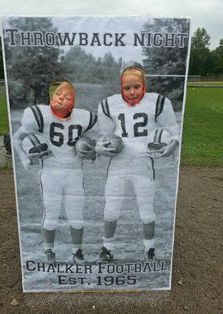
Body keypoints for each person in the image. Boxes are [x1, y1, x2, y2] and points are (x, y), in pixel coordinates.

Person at [95, 63, 179, 261]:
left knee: (146, 209)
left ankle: (150, 249)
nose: (132, 92)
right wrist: (100, 147)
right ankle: (107, 248)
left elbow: (174, 129)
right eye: (127, 88)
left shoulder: (157, 103)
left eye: (136, 87)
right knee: (111, 208)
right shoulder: (110, 105)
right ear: (120, 88)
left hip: (143, 163)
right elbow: (104, 136)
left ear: (144, 87)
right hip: (118, 163)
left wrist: (173, 145)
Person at [13, 80, 97, 264]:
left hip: (74, 173)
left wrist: (92, 151)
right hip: (50, 173)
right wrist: (25, 158)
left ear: (74, 101)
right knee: (50, 215)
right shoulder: (38, 116)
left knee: (76, 216)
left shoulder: (84, 118)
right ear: (50, 98)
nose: (63, 100)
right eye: (59, 95)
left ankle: (77, 252)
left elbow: (97, 140)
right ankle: (48, 250)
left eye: (68, 97)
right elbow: (17, 137)